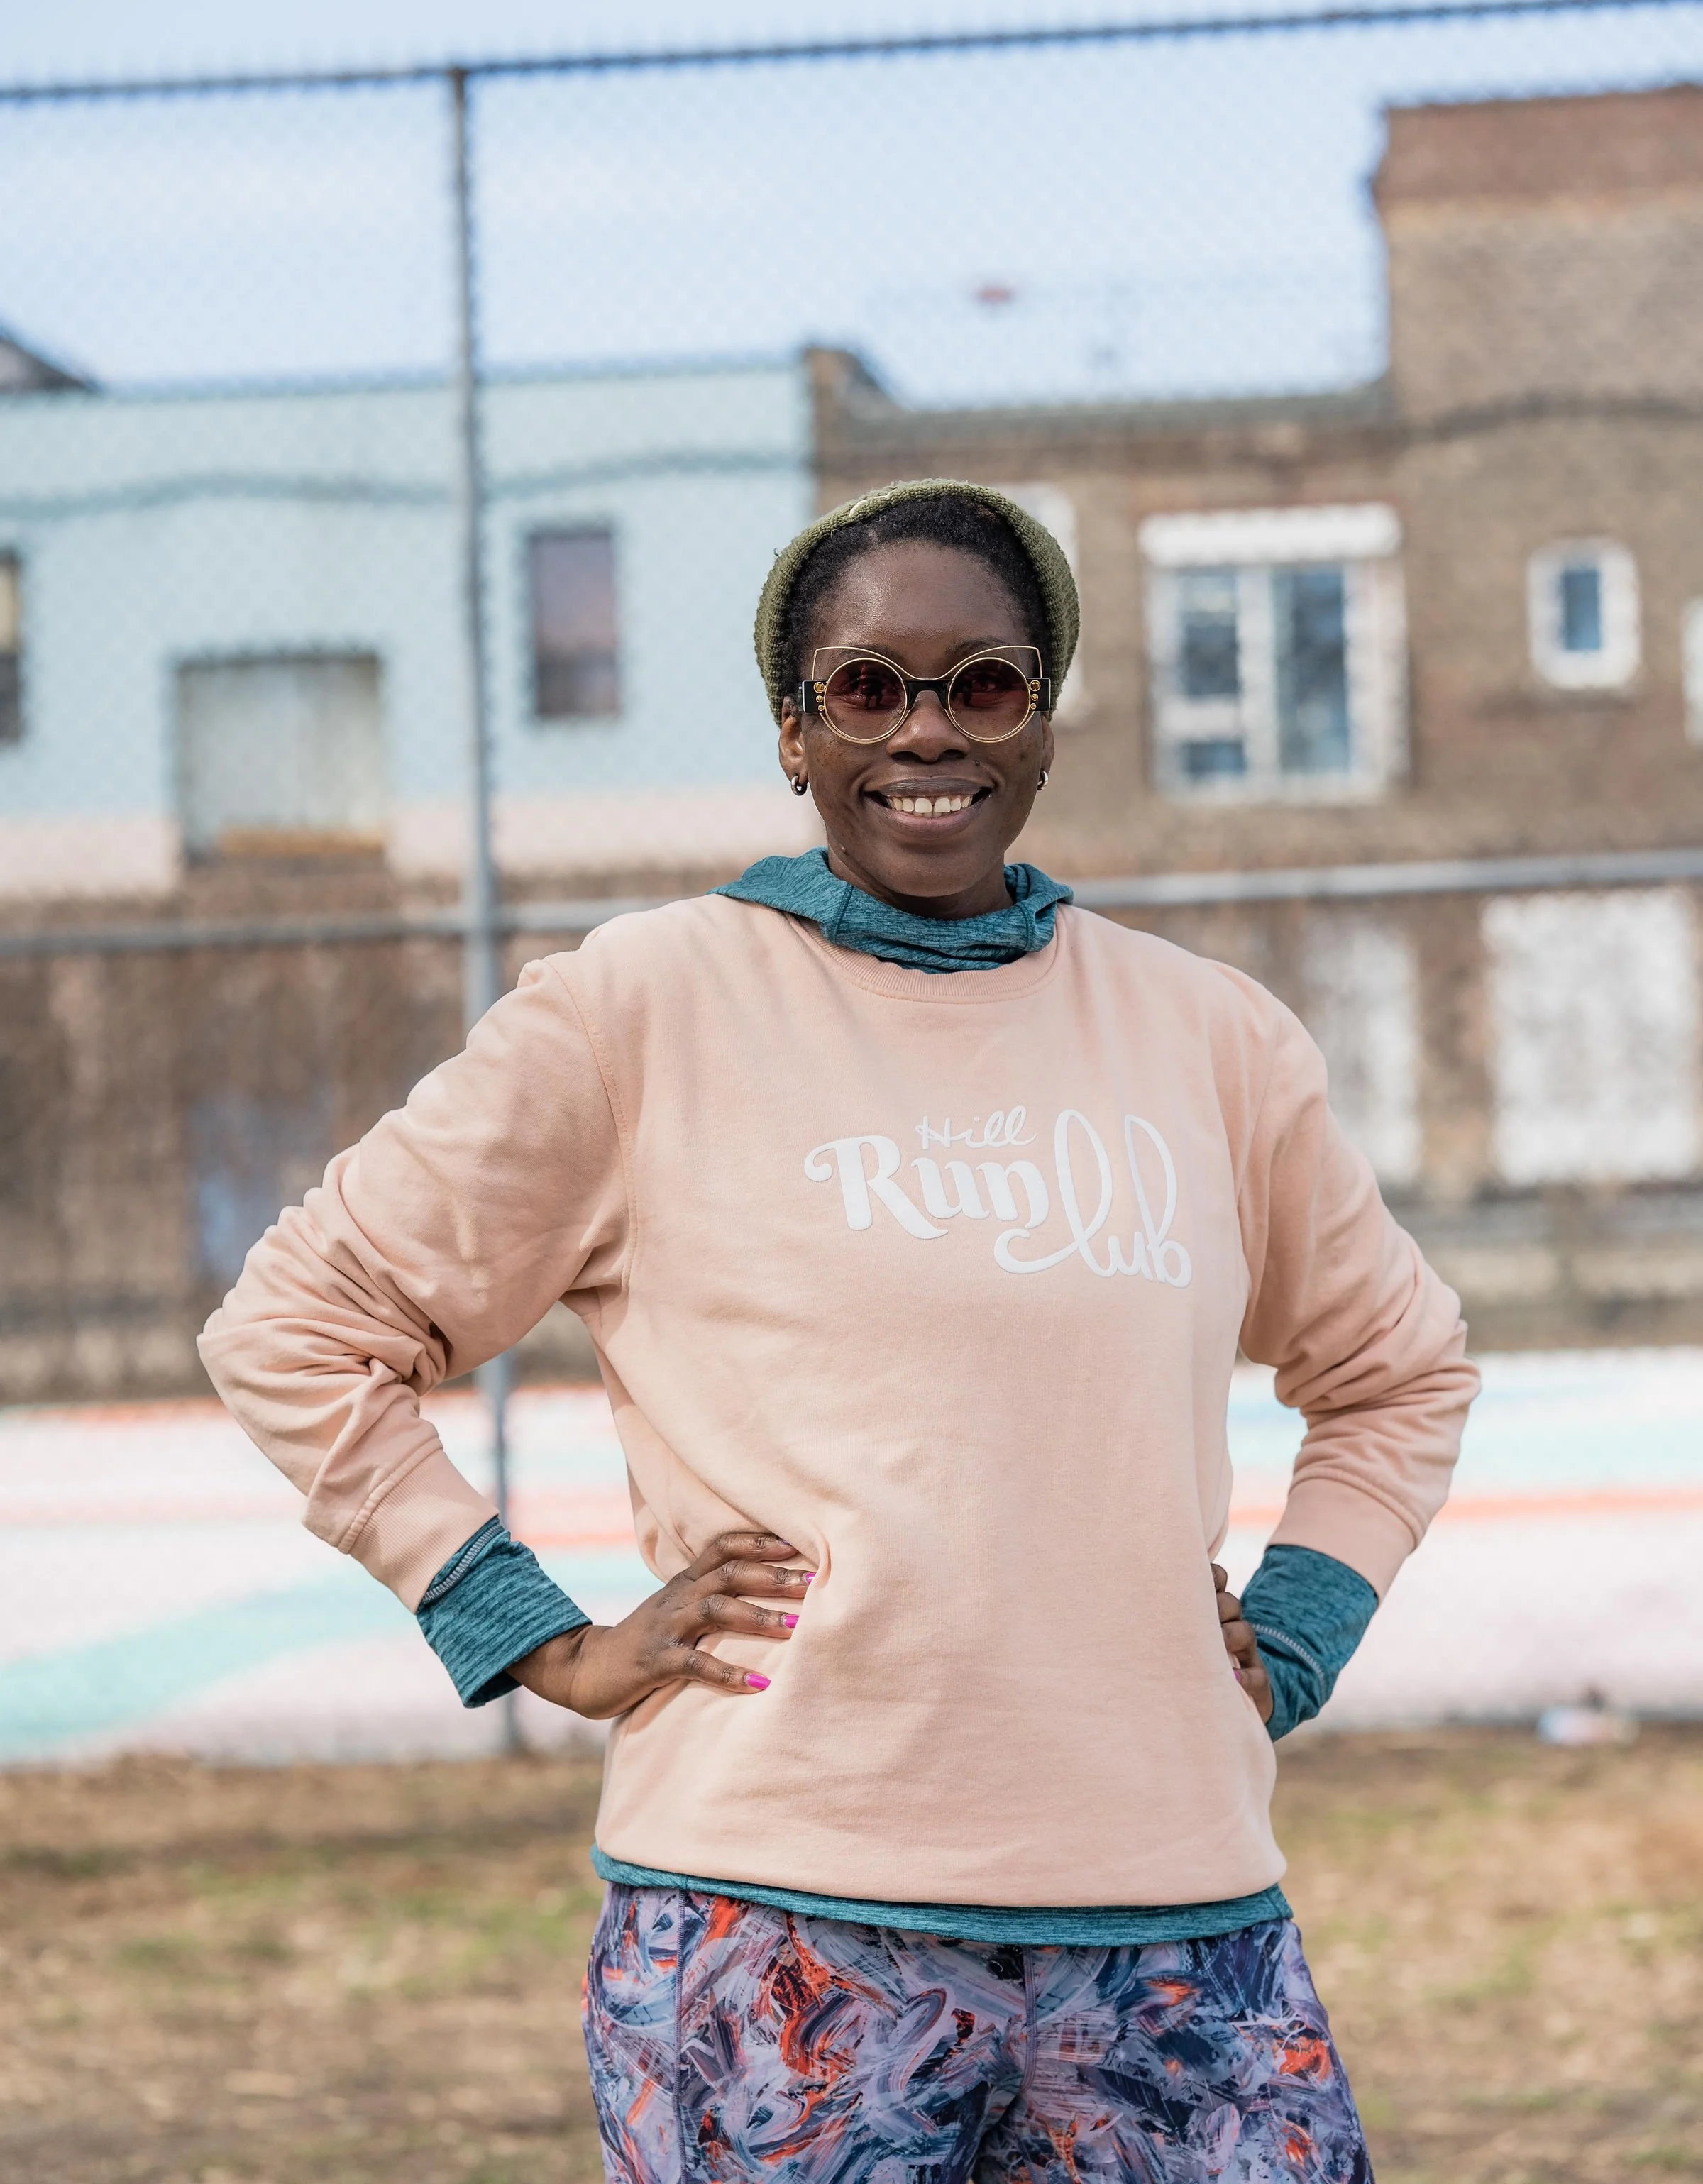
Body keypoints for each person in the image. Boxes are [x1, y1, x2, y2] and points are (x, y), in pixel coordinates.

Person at [202, 479, 1477, 2183]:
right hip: (776, 1939)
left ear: (1043, 720)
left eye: (984, 685)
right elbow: (297, 1324)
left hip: (1178, 1930)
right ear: (796, 734)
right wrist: (533, 1632)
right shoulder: (642, 1008)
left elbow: (1397, 1373)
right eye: (869, 689)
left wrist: (1300, 1631)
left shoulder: (1210, 1038)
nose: (927, 732)